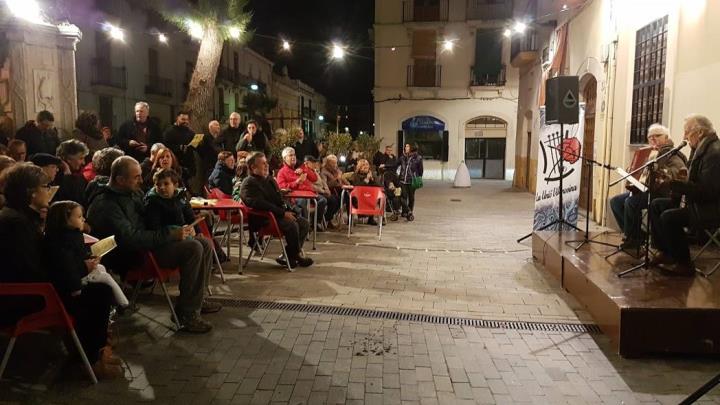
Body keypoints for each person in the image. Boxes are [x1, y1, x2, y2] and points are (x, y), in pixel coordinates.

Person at [86, 156, 220, 332]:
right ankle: (187, 314)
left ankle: (197, 299)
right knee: (193, 248)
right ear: (120, 180)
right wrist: (170, 234)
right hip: (136, 256)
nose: (142, 181)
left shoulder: (133, 192)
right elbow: (131, 239)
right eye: (137, 177)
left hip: (151, 244)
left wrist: (181, 224)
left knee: (204, 242)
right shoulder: (106, 205)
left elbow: (151, 219)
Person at [43, 200, 127, 378]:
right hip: (66, 292)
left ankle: (98, 351)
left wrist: (90, 260)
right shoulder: (59, 241)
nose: (83, 219)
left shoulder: (71, 236)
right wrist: (85, 267)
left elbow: (75, 261)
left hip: (74, 284)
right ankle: (92, 358)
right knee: (100, 295)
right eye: (79, 216)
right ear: (65, 219)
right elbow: (65, 269)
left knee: (102, 292)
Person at [650, 114, 720, 276]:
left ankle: (684, 264)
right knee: (656, 205)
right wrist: (674, 180)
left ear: (700, 133)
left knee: (669, 217)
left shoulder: (714, 154)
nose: (684, 137)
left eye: (687, 132)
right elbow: (693, 181)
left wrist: (675, 184)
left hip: (710, 209)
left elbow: (707, 192)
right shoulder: (701, 149)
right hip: (696, 203)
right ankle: (667, 253)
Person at [609, 124, 687, 251]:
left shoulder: (672, 154)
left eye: (657, 135)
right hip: (645, 189)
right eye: (650, 137)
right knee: (615, 201)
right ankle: (636, 234)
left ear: (666, 137)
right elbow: (639, 171)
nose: (653, 139)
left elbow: (676, 172)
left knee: (631, 202)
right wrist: (632, 172)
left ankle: (634, 239)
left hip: (662, 193)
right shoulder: (649, 153)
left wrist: (660, 171)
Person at [0, 164, 52, 331]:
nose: (49, 191)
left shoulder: (15, 215)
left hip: (18, 289)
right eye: (45, 186)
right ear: (31, 192)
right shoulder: (17, 224)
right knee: (97, 291)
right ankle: (93, 352)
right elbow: (30, 270)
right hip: (19, 296)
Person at [240, 153, 313, 269]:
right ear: (253, 167)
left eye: (266, 163)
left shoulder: (269, 180)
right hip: (265, 219)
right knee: (292, 225)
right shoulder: (248, 183)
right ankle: (295, 256)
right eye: (263, 163)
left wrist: (289, 209)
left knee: (304, 223)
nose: (266, 165)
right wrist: (283, 213)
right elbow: (259, 204)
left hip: (277, 215)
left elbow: (279, 199)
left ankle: (289, 255)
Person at [276, 147, 327, 222]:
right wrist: (296, 182)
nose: (293, 157)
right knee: (303, 201)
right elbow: (282, 188)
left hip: (308, 194)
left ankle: (315, 222)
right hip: (294, 197)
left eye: (294, 155)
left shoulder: (297, 170)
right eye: (290, 155)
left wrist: (303, 176)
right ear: (284, 158)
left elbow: (309, 183)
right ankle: (307, 224)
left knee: (323, 200)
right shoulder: (281, 172)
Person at [163, 110, 197, 184]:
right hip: (175, 164)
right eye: (183, 119)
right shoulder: (169, 132)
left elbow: (194, 148)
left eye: (187, 120)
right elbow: (165, 146)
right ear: (177, 119)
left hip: (188, 165)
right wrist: (179, 147)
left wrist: (198, 142)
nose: (185, 122)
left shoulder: (191, 132)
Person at [53, 139, 90, 205]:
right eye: (80, 158)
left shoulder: (79, 175)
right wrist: (67, 176)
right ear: (68, 159)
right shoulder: (55, 178)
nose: (83, 163)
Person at [308, 156, 340, 228]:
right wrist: (324, 191)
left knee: (338, 199)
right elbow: (312, 185)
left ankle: (327, 218)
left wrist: (327, 190)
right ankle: (319, 220)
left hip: (323, 191)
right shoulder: (321, 172)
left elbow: (323, 183)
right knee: (331, 200)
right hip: (315, 192)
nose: (317, 165)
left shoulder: (316, 171)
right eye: (315, 163)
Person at [398, 143, 423, 221]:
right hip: (402, 180)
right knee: (402, 197)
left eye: (408, 146)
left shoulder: (418, 158)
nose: (406, 147)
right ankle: (406, 211)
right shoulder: (403, 157)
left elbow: (420, 170)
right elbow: (395, 164)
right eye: (405, 146)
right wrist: (385, 166)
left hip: (412, 181)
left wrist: (417, 177)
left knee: (411, 198)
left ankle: (409, 212)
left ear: (412, 148)